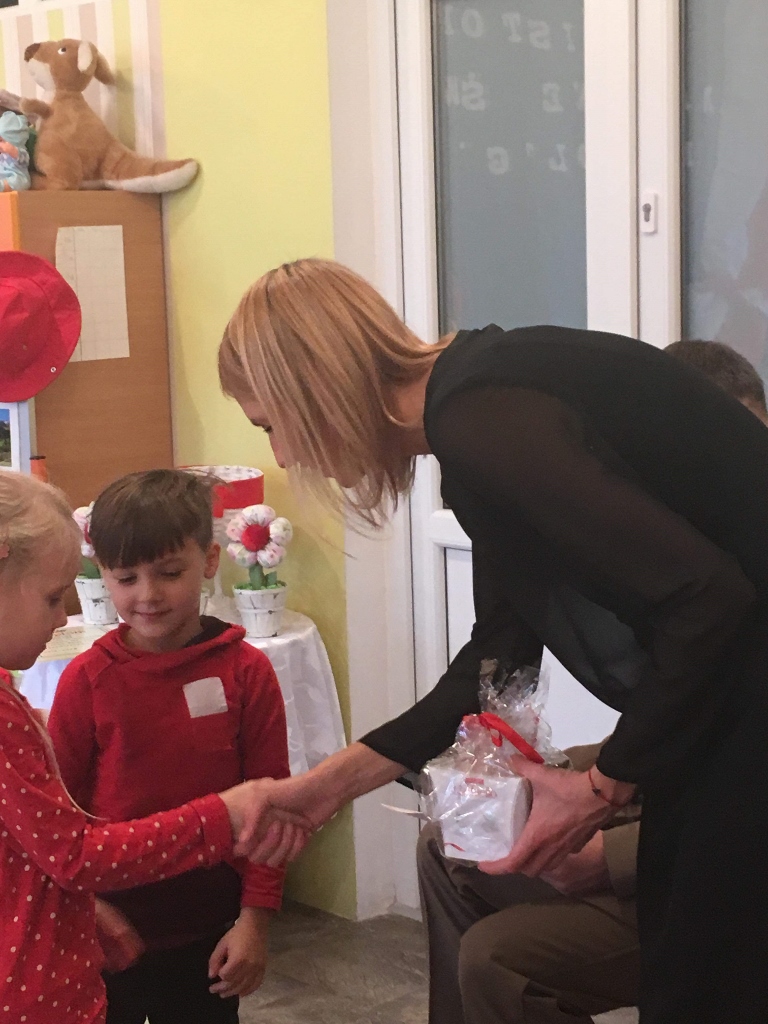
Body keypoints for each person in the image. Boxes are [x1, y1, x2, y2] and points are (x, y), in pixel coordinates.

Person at [217, 258, 768, 1024]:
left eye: (269, 423)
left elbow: (710, 598)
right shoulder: (478, 404)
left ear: (313, 386)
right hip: (728, 706)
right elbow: (495, 659)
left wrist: (602, 786)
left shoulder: (483, 420)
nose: (283, 455)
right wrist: (324, 790)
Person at [415, 337, 768, 1024]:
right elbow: (674, 715)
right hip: (680, 775)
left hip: (722, 853)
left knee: (494, 958)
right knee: (451, 838)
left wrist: (612, 847)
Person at [0, 469, 279, 1024]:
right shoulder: (81, 682)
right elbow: (69, 845)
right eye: (125, 578)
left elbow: (273, 807)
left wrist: (256, 915)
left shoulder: (245, 672)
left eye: (168, 573)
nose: (148, 595)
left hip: (199, 924)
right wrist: (219, 816)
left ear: (208, 560)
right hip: (86, 941)